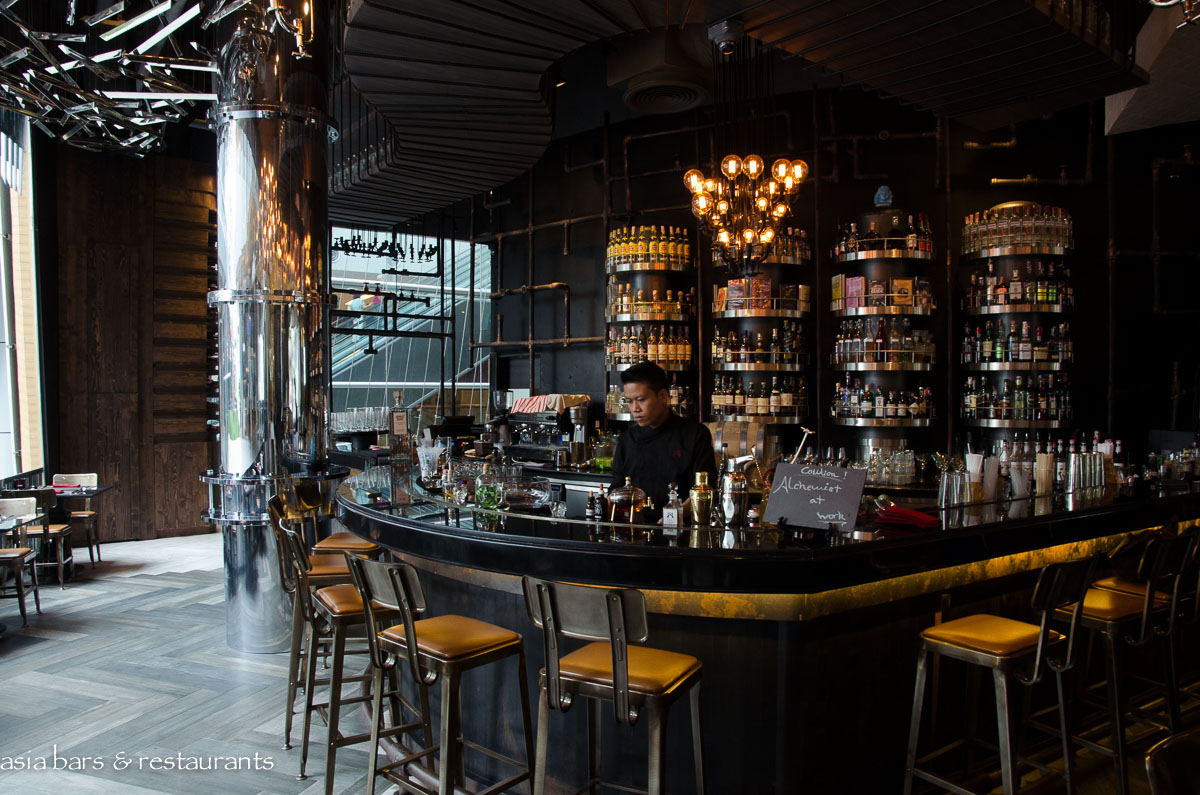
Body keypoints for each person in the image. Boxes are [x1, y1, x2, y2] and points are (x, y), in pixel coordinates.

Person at [609, 362, 718, 522]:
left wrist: (673, 516)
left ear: (663, 396)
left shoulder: (695, 434)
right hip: (636, 528)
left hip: (681, 527)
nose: (635, 408)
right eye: (630, 401)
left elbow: (704, 490)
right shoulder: (627, 440)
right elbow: (616, 490)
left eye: (641, 400)